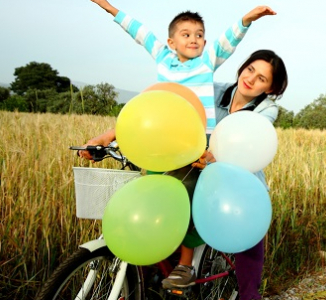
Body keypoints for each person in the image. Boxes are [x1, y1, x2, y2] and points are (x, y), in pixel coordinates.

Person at [79, 49, 288, 299]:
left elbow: (247, 139)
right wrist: (111, 135)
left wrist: (214, 153)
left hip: (238, 178)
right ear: (243, 67)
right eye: (250, 69)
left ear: (270, 88)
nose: (251, 79)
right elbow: (163, 110)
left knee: (247, 231)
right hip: (195, 164)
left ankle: (248, 294)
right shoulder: (211, 90)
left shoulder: (266, 110)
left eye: (262, 79)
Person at [89, 0, 276, 134]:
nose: (193, 39)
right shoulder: (163, 57)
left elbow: (227, 41)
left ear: (204, 42)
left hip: (199, 133)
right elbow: (141, 32)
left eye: (199, 35)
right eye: (186, 35)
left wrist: (247, 19)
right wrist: (110, 8)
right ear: (171, 42)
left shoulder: (206, 62)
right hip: (165, 128)